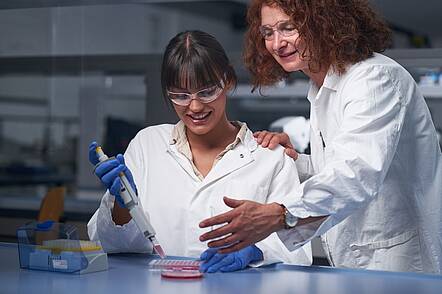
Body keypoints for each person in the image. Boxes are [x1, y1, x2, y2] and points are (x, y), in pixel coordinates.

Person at [199, 0, 442, 273]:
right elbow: (340, 166)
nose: (277, 43)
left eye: (288, 28)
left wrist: (280, 215)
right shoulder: (322, 87)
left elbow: (357, 173)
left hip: (401, 265)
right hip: (359, 261)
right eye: (267, 33)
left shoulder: (373, 79)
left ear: (324, 22)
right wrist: (294, 161)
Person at [87, 30, 312, 273]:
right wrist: (121, 207)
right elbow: (106, 245)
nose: (194, 106)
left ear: (228, 81)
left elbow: (298, 249)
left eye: (206, 92)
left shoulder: (270, 156)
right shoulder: (147, 145)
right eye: (181, 96)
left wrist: (256, 251)